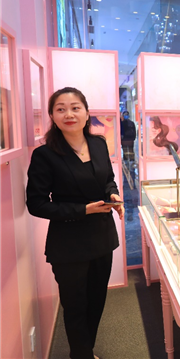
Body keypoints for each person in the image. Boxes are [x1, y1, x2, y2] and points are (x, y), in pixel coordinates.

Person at [26, 87, 124, 359]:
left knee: (97, 301)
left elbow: (108, 180)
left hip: (102, 237)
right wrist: (83, 210)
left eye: (75, 108)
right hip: (69, 244)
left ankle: (84, 351)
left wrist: (113, 194)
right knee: (75, 307)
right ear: (52, 116)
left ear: (87, 113)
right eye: (61, 109)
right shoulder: (45, 155)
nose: (69, 114)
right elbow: (36, 204)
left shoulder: (99, 144)